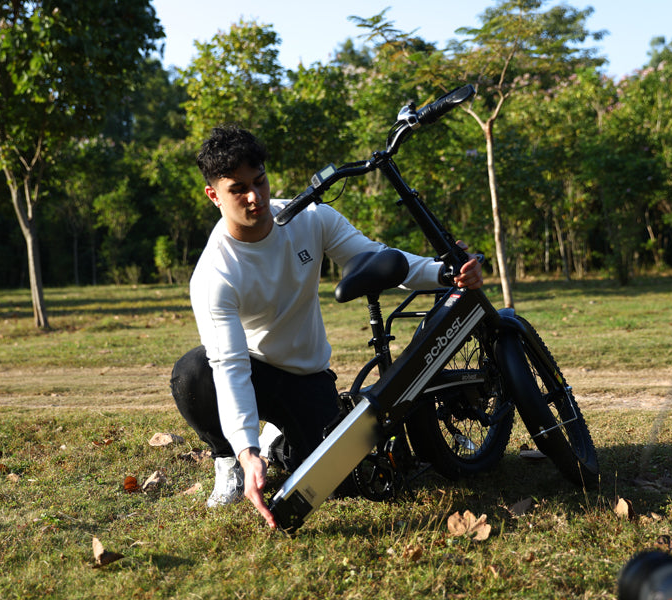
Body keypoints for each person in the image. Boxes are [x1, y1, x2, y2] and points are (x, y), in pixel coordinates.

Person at [170, 125, 484, 528]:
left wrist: (447, 274)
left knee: (344, 480)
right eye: (238, 189)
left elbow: (375, 258)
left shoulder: (310, 219)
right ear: (214, 195)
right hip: (252, 370)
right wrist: (247, 452)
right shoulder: (215, 275)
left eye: (260, 181)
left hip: (306, 375)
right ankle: (229, 459)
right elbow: (230, 367)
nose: (255, 197)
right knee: (193, 372)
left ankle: (277, 444)